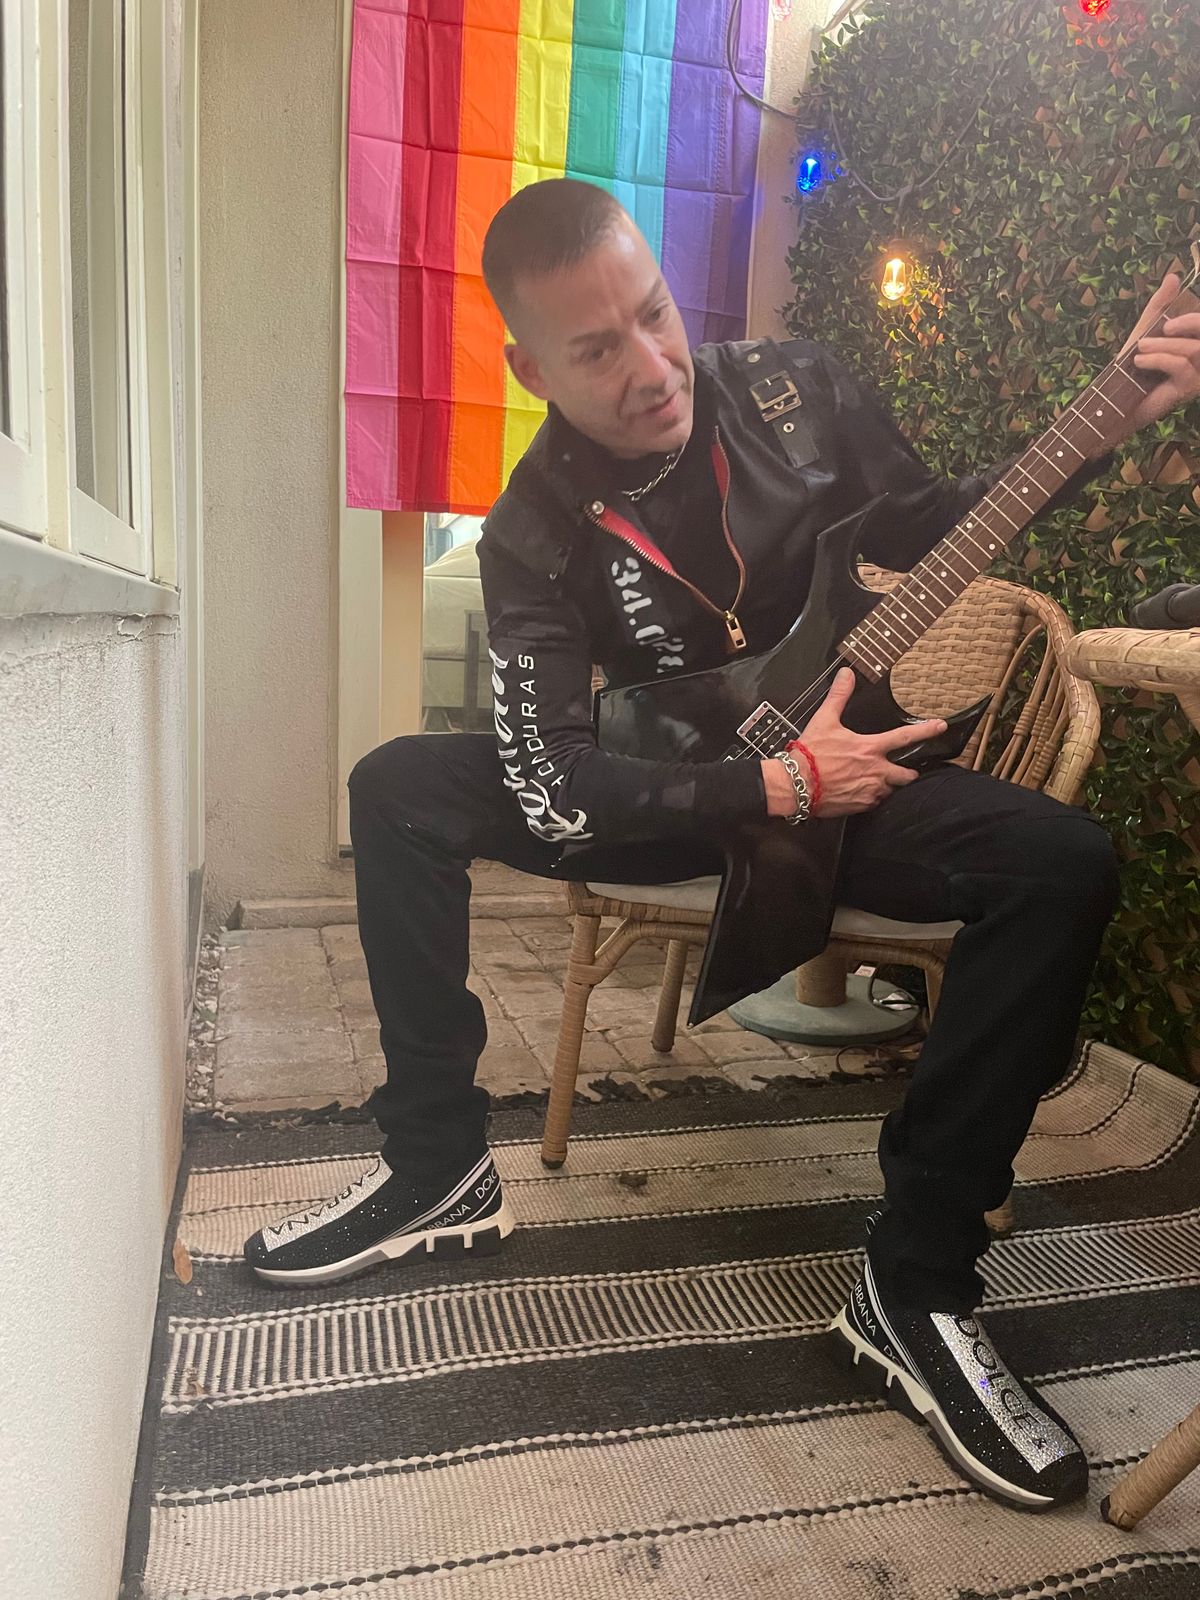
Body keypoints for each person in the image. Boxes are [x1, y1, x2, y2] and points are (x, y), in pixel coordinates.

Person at [244, 180, 1200, 1508]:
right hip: (668, 797)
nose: (650, 369)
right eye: (597, 350)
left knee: (1064, 862)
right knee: (399, 783)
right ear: (529, 370)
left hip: (837, 765)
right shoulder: (531, 529)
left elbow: (932, 521)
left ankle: (914, 1286)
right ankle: (435, 1169)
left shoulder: (795, 392)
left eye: (655, 315)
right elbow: (555, 781)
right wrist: (771, 788)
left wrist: (1109, 417)